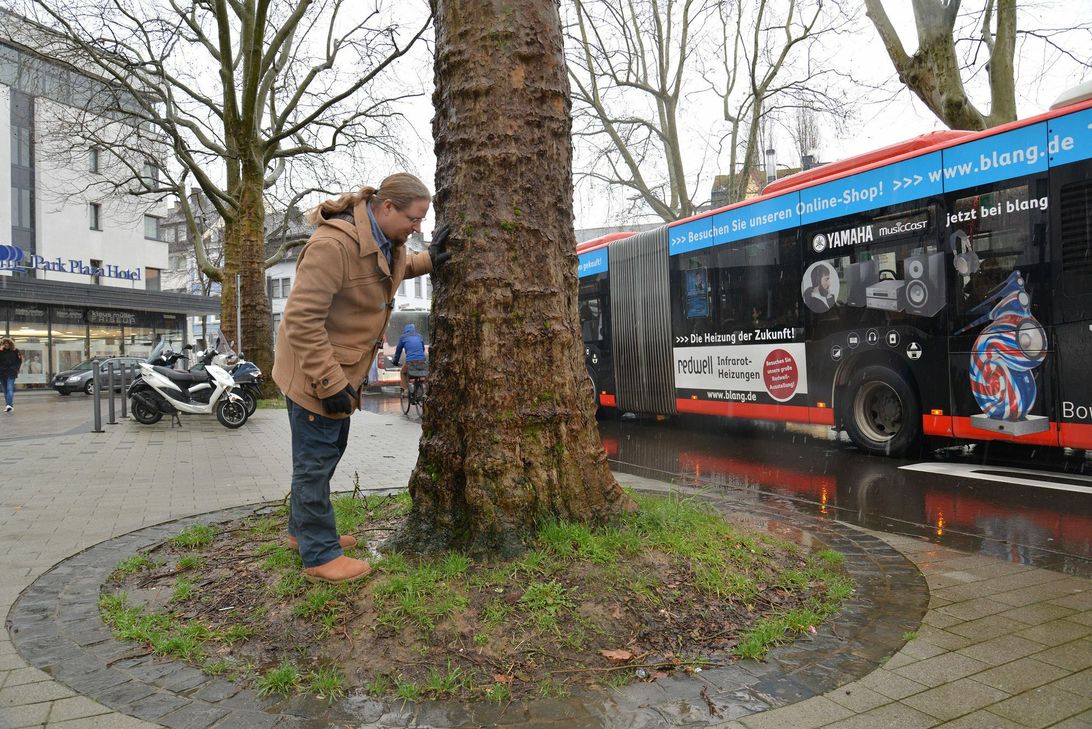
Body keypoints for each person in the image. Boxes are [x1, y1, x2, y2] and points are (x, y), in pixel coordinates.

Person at [272, 173, 450, 584]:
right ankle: (320, 555)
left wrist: (430, 259)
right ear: (386, 207)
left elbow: (389, 270)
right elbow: (300, 321)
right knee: (314, 464)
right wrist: (329, 382)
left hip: (338, 372)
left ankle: (302, 533)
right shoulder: (332, 246)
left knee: (327, 454)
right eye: (413, 218)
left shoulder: (382, 240)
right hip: (316, 374)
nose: (417, 228)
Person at [392, 323, 427, 393]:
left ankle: (405, 390)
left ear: (405, 330)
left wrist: (395, 362)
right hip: (421, 361)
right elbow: (423, 349)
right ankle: (424, 387)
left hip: (410, 362)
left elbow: (398, 351)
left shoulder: (403, 337)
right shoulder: (419, 336)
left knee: (403, 372)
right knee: (422, 374)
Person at [0, 338, 23, 412]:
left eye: (8, 343)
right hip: (2, 373)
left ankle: (8, 405)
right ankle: (9, 406)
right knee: (5, 390)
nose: (6, 345)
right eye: (4, 343)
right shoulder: (1, 351)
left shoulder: (15, 351)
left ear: (10, 344)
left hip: (11, 372)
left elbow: (19, 361)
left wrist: (16, 369)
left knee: (9, 388)